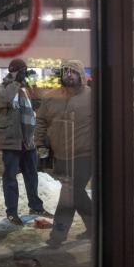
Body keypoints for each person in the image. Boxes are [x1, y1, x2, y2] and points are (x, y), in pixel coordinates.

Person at [35, 60, 93, 248]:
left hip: (85, 154)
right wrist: (40, 143)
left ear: (80, 75)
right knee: (76, 194)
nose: (69, 75)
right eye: (66, 71)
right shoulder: (51, 97)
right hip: (61, 155)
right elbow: (41, 121)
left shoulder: (92, 97)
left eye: (73, 72)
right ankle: (96, 228)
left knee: (70, 194)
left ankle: (58, 236)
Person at [0, 59, 52, 226]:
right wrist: (16, 82)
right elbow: (4, 100)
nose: (22, 74)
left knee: (31, 175)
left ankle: (35, 206)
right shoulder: (2, 87)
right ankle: (11, 212)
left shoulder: (27, 88)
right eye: (19, 71)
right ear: (12, 71)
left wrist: (34, 85)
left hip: (28, 139)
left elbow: (40, 104)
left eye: (23, 71)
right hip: (11, 139)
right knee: (10, 177)